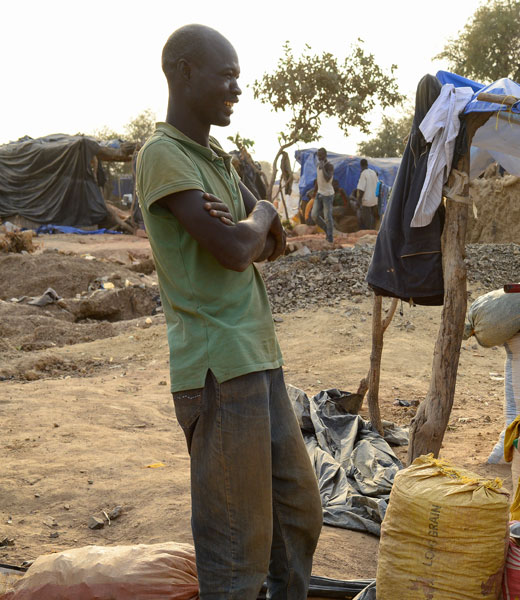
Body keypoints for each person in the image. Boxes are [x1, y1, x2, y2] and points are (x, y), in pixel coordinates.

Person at [135, 24, 321, 599]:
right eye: (226, 75)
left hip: (259, 359)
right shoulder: (163, 155)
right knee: (237, 549)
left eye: (239, 76)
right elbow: (241, 249)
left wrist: (257, 220)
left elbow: (271, 242)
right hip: (217, 368)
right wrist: (260, 214)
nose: (236, 88)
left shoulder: (212, 154)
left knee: (298, 517)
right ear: (183, 72)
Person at [311, 147, 335, 243]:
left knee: (327, 217)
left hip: (328, 195)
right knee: (314, 215)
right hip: (319, 193)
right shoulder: (318, 166)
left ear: (325, 155)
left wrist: (323, 167)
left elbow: (327, 179)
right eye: (318, 155)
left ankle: (330, 238)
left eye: (321, 155)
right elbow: (319, 180)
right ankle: (328, 230)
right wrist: (315, 191)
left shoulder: (329, 166)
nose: (319, 157)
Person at [355, 158, 379, 230]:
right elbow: (378, 185)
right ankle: (373, 231)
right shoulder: (373, 172)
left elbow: (361, 189)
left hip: (366, 201)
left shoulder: (363, 173)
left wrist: (358, 200)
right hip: (374, 199)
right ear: (367, 164)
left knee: (367, 219)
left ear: (361, 165)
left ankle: (369, 232)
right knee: (373, 217)